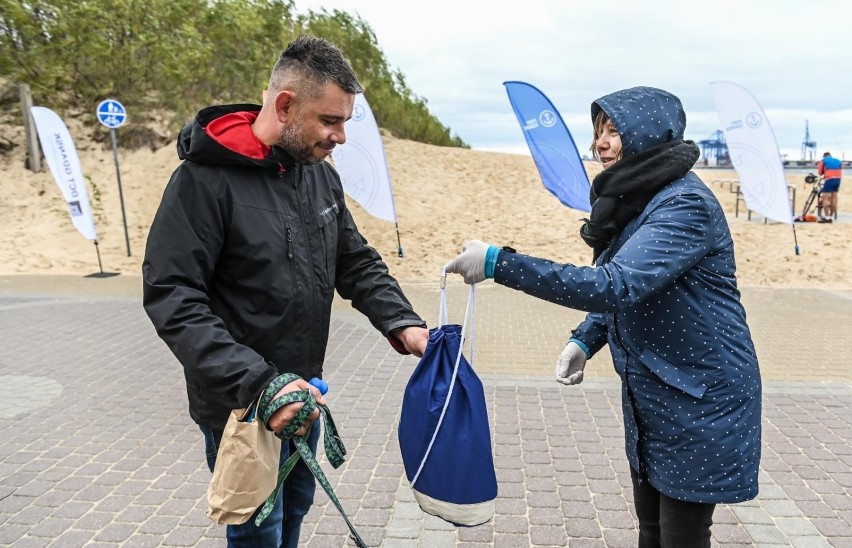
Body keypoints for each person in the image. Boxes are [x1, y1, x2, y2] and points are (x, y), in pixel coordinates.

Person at [142, 35, 429, 547]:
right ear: (285, 105)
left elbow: (354, 260)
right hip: (243, 404)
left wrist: (402, 323)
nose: (340, 136)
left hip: (305, 394)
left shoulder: (318, 176)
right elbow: (172, 296)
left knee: (295, 509)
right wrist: (258, 386)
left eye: (345, 122)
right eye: (330, 120)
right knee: (257, 534)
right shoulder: (203, 182)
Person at [444, 86, 762, 547]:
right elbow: (626, 291)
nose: (601, 143)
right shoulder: (637, 197)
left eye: (615, 131)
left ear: (648, 133)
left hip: (700, 396)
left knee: (681, 536)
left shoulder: (683, 203)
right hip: (654, 394)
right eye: (597, 132)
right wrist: (586, 339)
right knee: (650, 527)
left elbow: (617, 283)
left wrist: (499, 263)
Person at [817, 151, 842, 222]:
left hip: (829, 179)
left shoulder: (823, 161)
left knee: (825, 197)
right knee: (834, 198)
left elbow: (820, 172)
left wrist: (825, 174)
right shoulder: (838, 161)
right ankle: (831, 216)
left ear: (824, 156)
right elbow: (839, 170)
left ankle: (827, 217)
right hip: (838, 179)